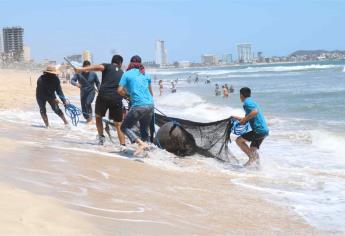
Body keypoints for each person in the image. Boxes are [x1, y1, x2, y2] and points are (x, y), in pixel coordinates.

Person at [75, 55, 126, 147]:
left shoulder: (107, 66)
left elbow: (97, 67)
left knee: (98, 117)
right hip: (116, 98)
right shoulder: (122, 73)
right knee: (118, 124)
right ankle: (123, 145)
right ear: (120, 63)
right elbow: (123, 89)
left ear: (112, 61)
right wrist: (128, 96)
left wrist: (81, 69)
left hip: (104, 96)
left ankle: (101, 138)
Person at [118, 55, 154, 156]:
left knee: (124, 127)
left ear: (130, 63)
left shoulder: (127, 74)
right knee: (144, 129)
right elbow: (151, 93)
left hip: (138, 105)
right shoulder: (145, 75)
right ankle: (147, 153)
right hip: (150, 105)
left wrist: (127, 96)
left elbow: (119, 90)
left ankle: (141, 144)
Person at [232, 87, 269, 167]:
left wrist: (244, 120)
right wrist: (237, 118)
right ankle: (258, 168)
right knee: (252, 149)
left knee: (238, 140)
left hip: (258, 130)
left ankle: (252, 159)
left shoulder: (247, 103)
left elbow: (255, 112)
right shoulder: (252, 102)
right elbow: (249, 116)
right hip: (264, 131)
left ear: (241, 95)